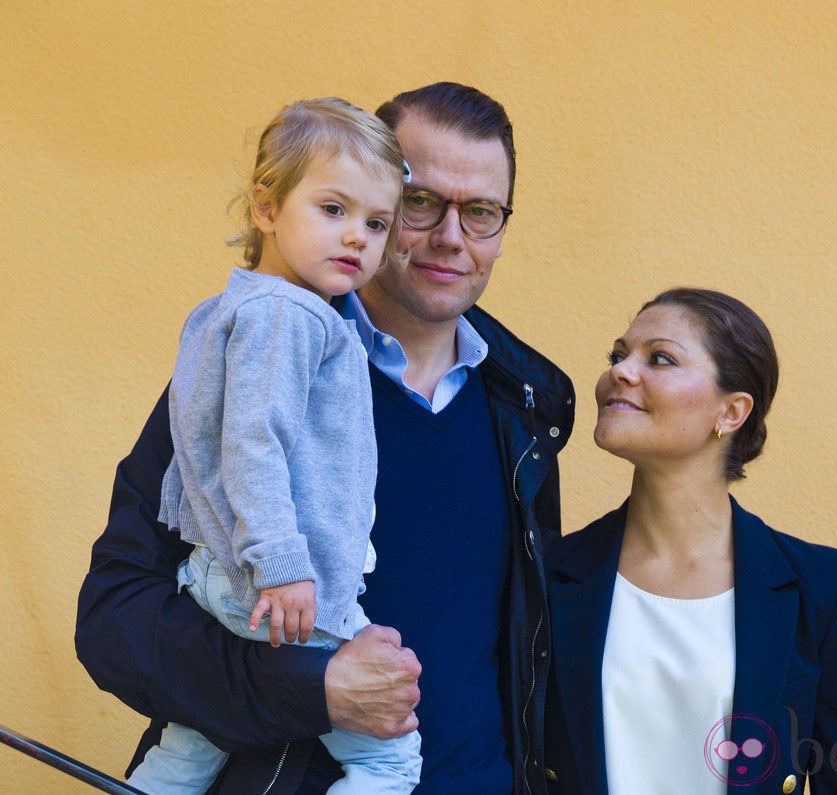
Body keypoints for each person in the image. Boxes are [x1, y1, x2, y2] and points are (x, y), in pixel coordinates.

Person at [76, 82, 575, 794]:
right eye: (421, 203)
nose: (451, 237)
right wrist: (310, 687)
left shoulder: (526, 410)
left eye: (482, 212)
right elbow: (114, 618)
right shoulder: (252, 368)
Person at [124, 97, 422, 794]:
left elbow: (200, 437)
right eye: (333, 209)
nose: (357, 238)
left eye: (377, 223)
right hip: (280, 590)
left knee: (193, 743)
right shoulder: (293, 315)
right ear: (266, 208)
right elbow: (253, 443)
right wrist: (284, 564)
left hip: (220, 578)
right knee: (390, 759)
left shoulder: (233, 307)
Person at [542, 289, 837, 794]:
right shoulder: (547, 572)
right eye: (618, 355)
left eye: (659, 358)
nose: (621, 371)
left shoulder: (821, 587)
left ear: (731, 412)